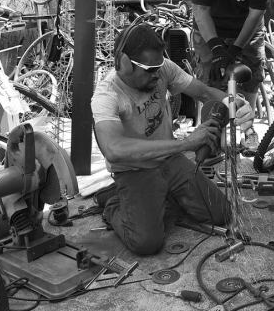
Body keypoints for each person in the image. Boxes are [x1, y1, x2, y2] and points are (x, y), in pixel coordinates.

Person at [91, 24, 254, 255]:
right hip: (135, 170)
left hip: (169, 160)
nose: (157, 74)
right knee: (147, 243)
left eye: (159, 66)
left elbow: (205, 93)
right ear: (125, 62)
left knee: (222, 214)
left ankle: (159, 196)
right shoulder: (107, 95)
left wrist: (237, 103)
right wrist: (187, 143)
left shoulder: (161, 67)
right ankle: (114, 203)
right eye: (150, 69)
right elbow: (114, 149)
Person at [188, 0, 274, 150]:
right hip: (210, 27)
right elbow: (201, 11)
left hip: (246, 26)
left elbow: (256, 14)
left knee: (251, 76)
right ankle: (210, 136)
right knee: (209, 78)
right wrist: (216, 49)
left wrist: (235, 49)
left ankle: (248, 132)